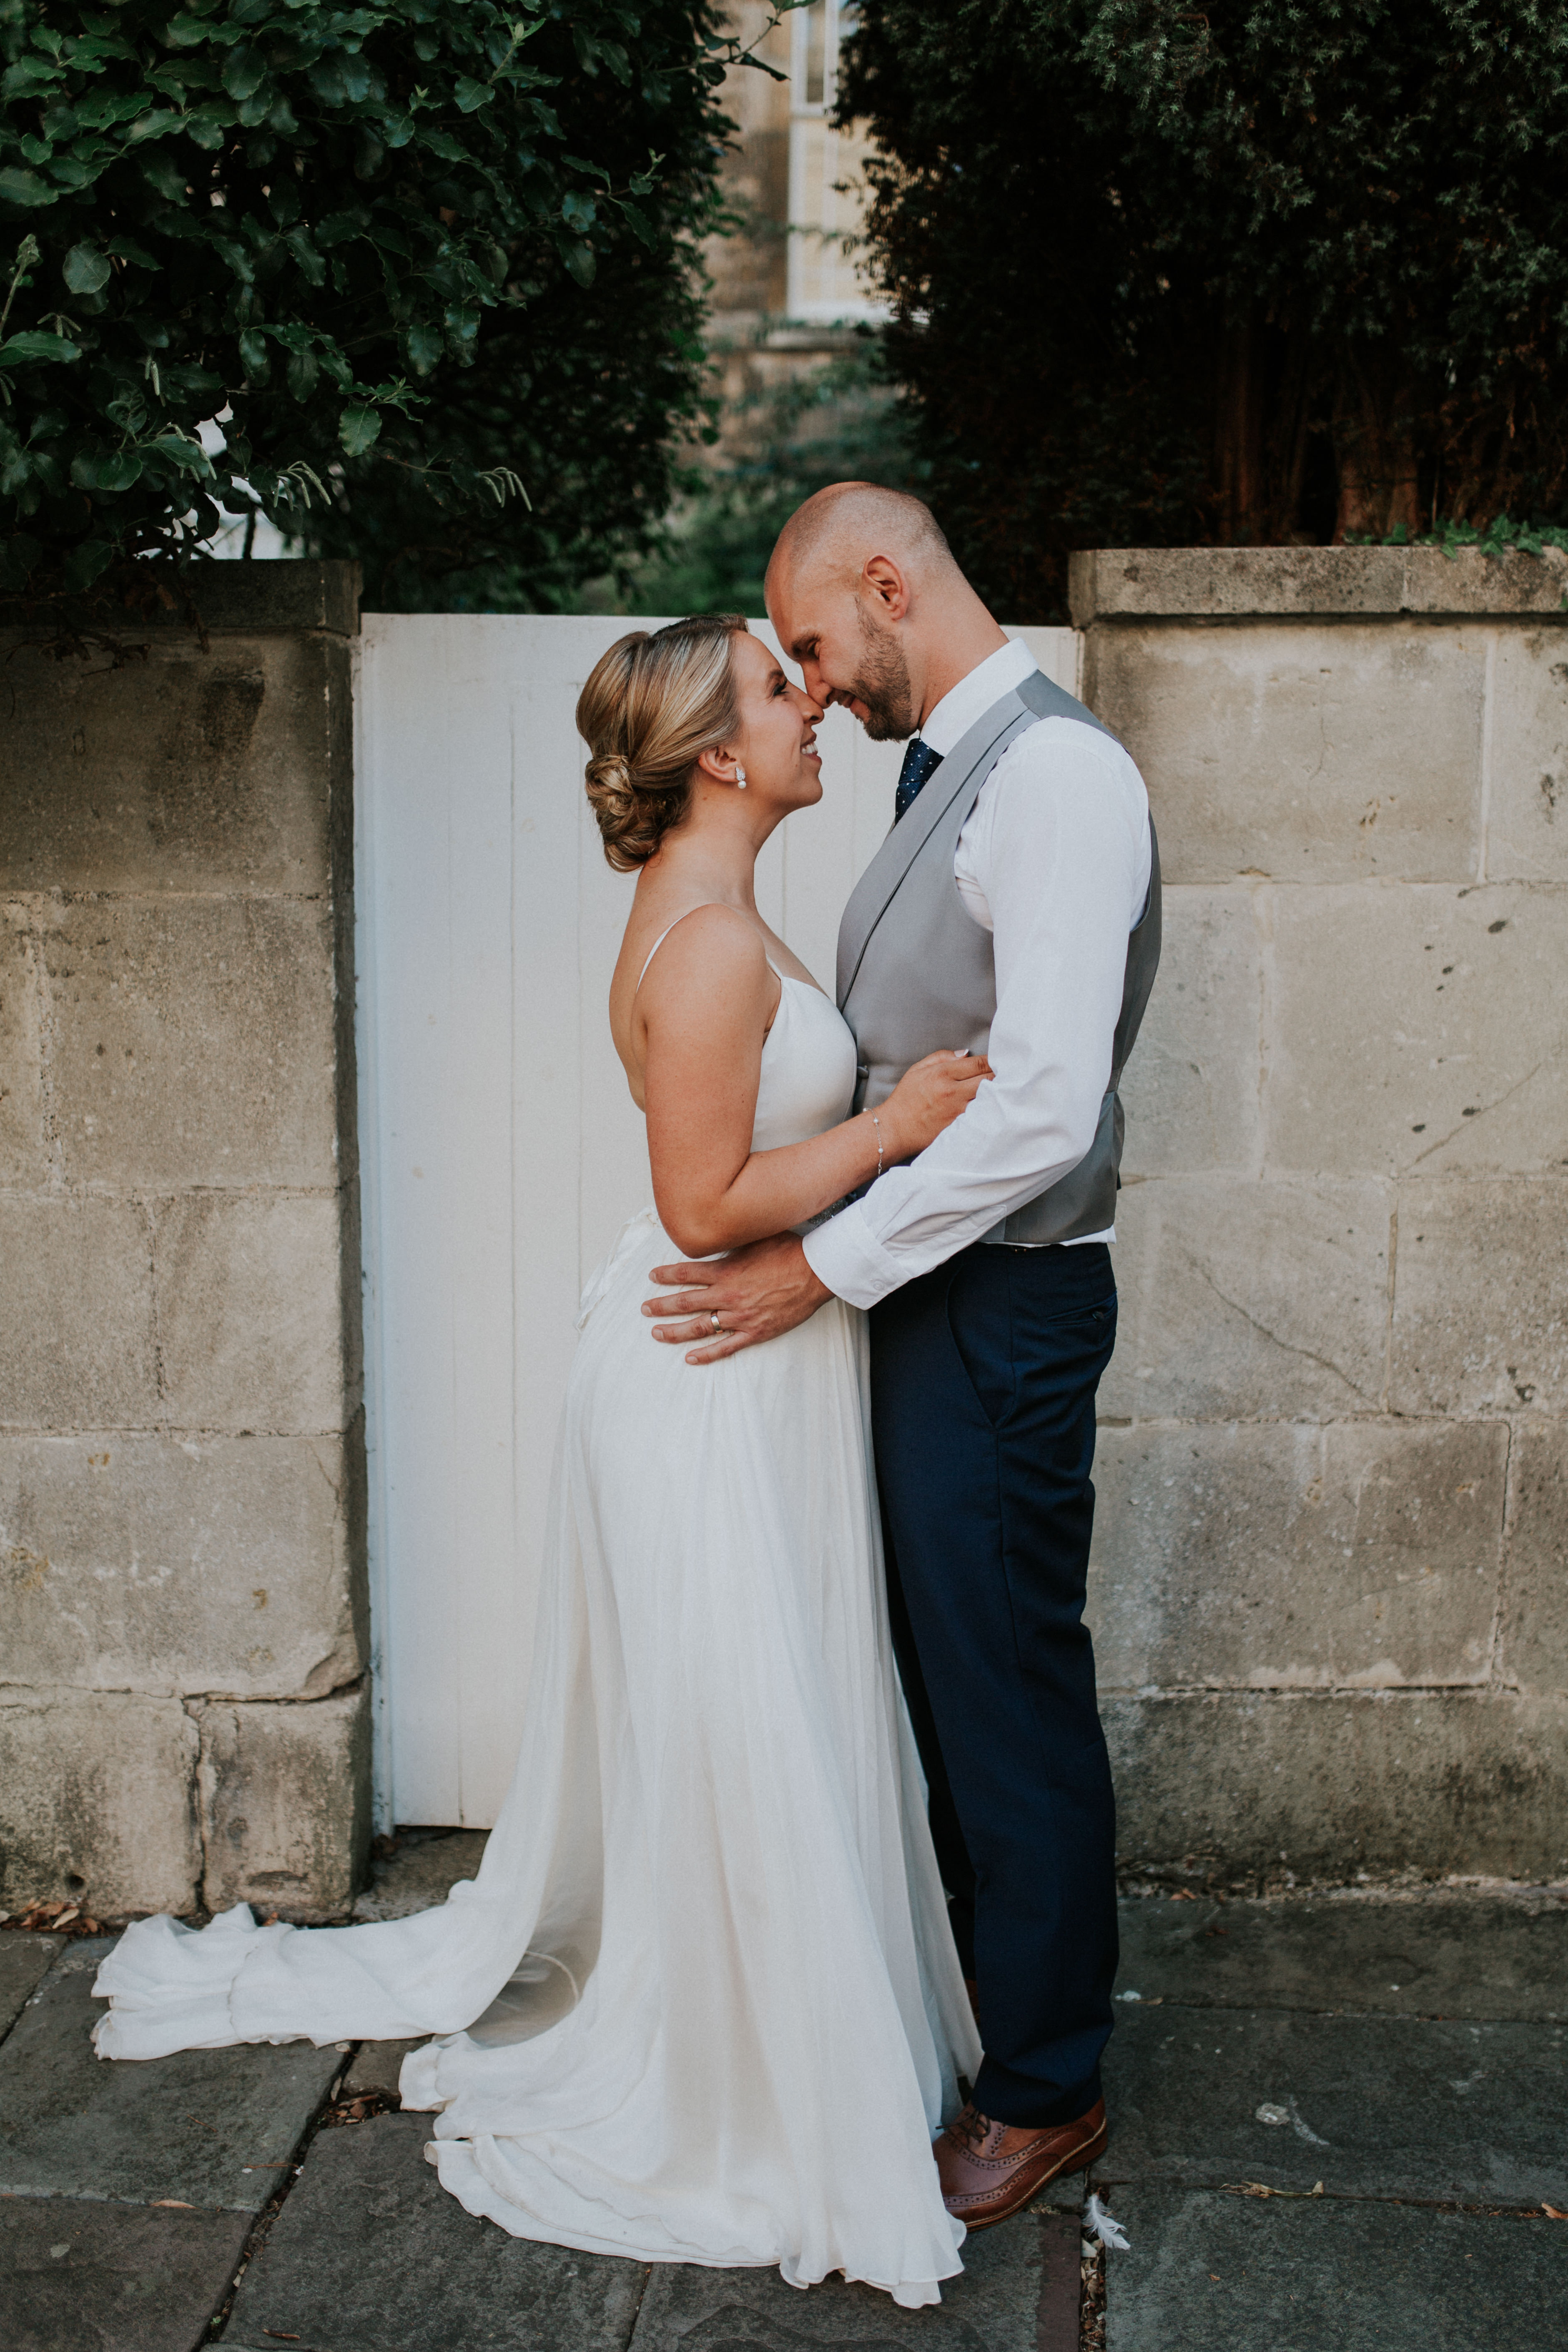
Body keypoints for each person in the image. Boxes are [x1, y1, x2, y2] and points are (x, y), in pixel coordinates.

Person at [92, 613, 993, 2309]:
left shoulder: (720, 916)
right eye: (776, 687)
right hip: (705, 1376)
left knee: (763, 1718)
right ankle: (738, 2088)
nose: (813, 704)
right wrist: (895, 1123)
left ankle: (785, 2044)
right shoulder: (712, 943)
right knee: (744, 1725)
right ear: (718, 754)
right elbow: (702, 1206)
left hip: (742, 1370)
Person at [642, 486, 1160, 2231]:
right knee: (945, 1677)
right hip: (926, 1293)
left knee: (1005, 1678)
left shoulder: (1060, 778)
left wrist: (817, 1263)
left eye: (808, 643)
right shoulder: (946, 772)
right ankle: (984, 2021)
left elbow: (1039, 1107)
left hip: (1002, 1302)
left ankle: (1045, 2087)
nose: (808, 680)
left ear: (886, 585)